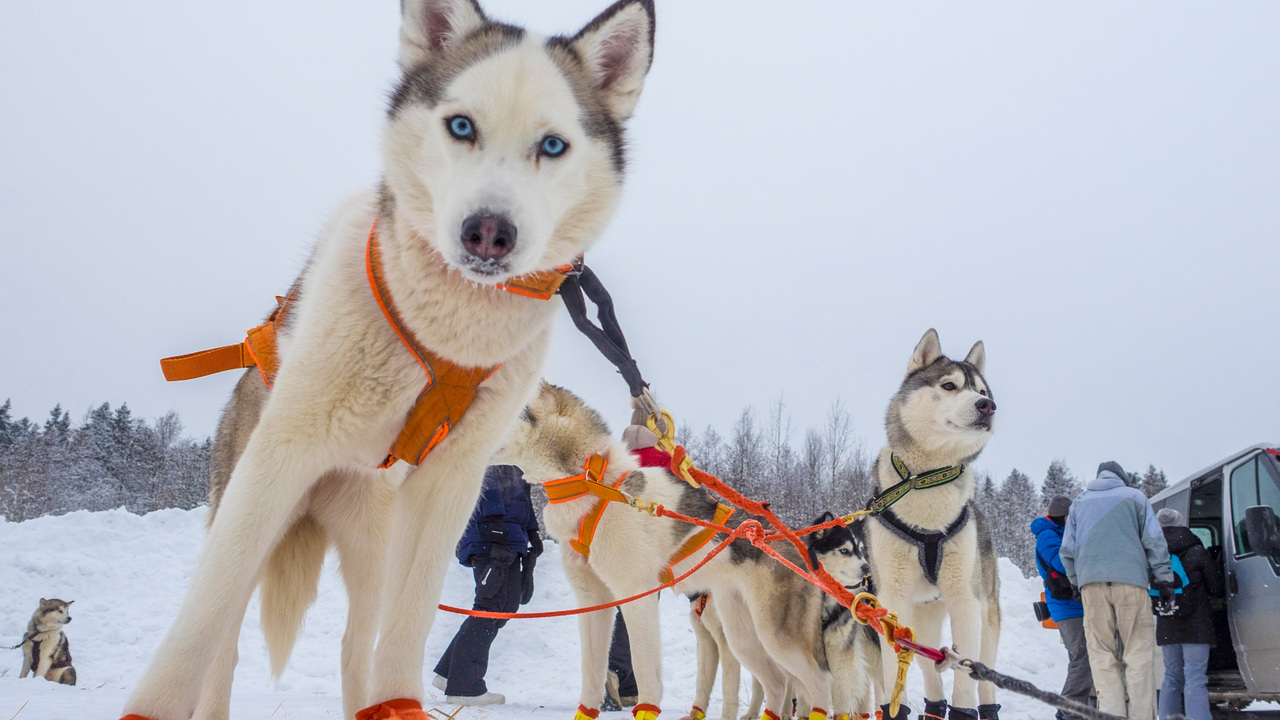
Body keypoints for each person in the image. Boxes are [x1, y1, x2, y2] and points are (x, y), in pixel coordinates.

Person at [1059, 461, 1178, 720]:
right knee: (1138, 655)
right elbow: (1154, 540)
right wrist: (1164, 579)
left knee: (1102, 657)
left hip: (1092, 586)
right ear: (1121, 477)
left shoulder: (1079, 503)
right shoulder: (1135, 497)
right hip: (1130, 583)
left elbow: (1067, 550)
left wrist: (1076, 581)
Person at [432, 465, 543, 705]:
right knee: (490, 606)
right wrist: (493, 518)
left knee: (506, 606)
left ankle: (451, 673)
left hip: (510, 535)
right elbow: (484, 475)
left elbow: (521, 497)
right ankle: (465, 687)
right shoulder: (496, 440)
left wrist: (532, 531)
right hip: (491, 535)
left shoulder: (517, 455)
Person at [1154, 508, 1224, 720]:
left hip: (1167, 621)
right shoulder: (1196, 551)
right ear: (1181, 523)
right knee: (1195, 678)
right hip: (1196, 624)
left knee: (1172, 677)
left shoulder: (1154, 553)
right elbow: (1215, 587)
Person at [1031, 495, 1094, 720]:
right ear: (1065, 516)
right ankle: (1069, 711)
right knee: (1082, 657)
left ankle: (1080, 707)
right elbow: (1062, 563)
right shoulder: (1048, 535)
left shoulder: (1059, 533)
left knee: (1086, 657)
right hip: (1066, 605)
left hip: (1075, 604)